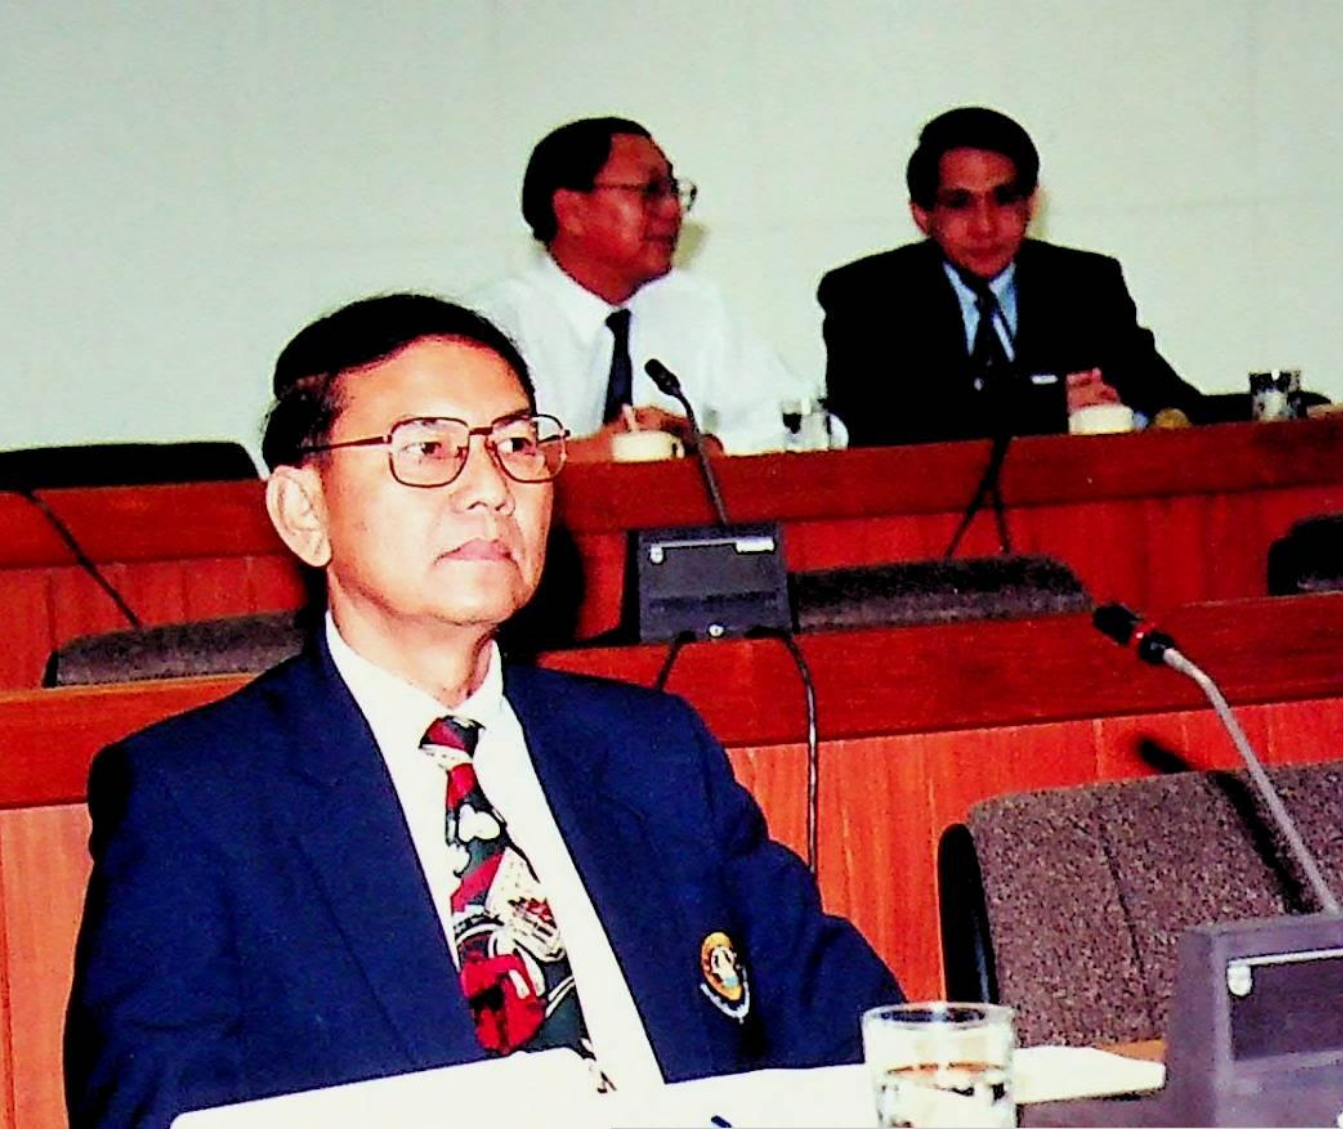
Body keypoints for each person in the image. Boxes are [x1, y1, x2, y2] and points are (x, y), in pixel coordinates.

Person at [63, 293, 900, 1126]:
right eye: (429, 449)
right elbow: (153, 1112)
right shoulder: (197, 797)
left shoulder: (651, 750)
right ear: (304, 512)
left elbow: (860, 1045)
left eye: (516, 444)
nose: (492, 488)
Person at [817, 106, 1205, 448]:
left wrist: (1163, 416)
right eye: (960, 204)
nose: (985, 226)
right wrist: (1052, 408)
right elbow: (876, 423)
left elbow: (1173, 398)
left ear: (1031, 204)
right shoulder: (866, 294)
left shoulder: (1084, 284)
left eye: (1004, 199)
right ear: (923, 215)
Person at [473, 117, 818, 460]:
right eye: (651, 191)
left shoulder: (694, 304)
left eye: (674, 190)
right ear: (571, 211)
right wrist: (581, 456)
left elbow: (806, 421)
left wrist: (703, 446)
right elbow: (475, 454)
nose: (672, 210)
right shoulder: (492, 325)